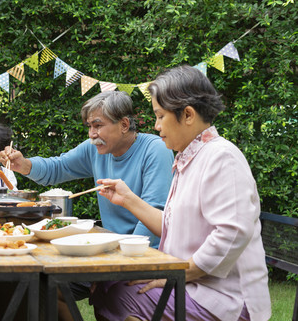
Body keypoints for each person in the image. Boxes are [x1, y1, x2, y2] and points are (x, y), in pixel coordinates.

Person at [92, 65, 271, 321]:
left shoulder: (222, 157)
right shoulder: (190, 158)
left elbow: (233, 233)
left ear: (187, 114)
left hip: (225, 298)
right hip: (196, 287)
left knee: (120, 295)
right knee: (111, 286)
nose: (155, 126)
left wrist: (177, 274)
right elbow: (172, 226)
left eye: (160, 116)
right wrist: (128, 200)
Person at [2, 91, 174, 317]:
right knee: (41, 284)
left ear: (124, 124)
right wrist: (24, 165)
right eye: (89, 127)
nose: (92, 134)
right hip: (105, 253)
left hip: (139, 257)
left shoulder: (155, 150)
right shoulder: (95, 149)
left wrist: (112, 272)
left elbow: (154, 217)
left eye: (98, 125)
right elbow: (59, 167)